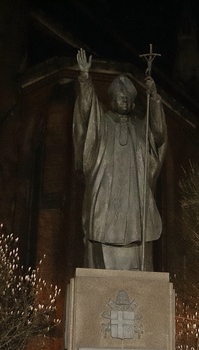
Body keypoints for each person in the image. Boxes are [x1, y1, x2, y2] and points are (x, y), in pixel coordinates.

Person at [72, 48, 168, 271]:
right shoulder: (102, 122)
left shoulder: (139, 128)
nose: (124, 100)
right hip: (106, 202)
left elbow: (158, 134)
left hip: (134, 204)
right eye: (120, 96)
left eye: (128, 98)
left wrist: (154, 98)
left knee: (137, 239)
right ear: (112, 99)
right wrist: (85, 79)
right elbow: (86, 114)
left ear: (133, 103)